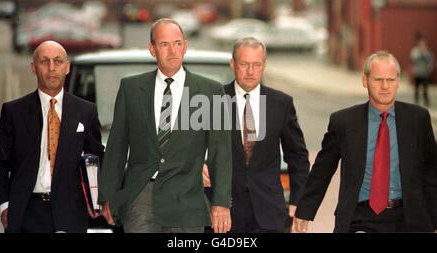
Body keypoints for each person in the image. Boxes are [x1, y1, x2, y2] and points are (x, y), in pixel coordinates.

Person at [98, 18, 232, 233]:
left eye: (178, 43)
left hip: (187, 199)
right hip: (140, 198)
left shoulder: (211, 91)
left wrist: (221, 203)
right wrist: (107, 196)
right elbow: (117, 147)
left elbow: (221, 153)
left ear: (185, 46)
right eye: (164, 44)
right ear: (152, 49)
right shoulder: (131, 88)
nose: (172, 51)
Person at [293, 51, 437, 233]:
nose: (385, 86)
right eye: (378, 79)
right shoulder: (343, 122)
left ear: (398, 81)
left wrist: (434, 219)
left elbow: (432, 172)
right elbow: (322, 170)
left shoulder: (417, 119)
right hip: (360, 218)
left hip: (410, 219)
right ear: (365, 80)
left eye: (390, 79)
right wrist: (304, 210)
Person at [0, 41, 104, 233]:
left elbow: (98, 161)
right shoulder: (14, 112)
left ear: (67, 68)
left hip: (71, 213)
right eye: (44, 61)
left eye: (58, 61)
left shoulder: (86, 111)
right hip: (25, 213)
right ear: (33, 68)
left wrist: (99, 199)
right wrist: (4, 206)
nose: (51, 68)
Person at [204, 37, 310, 232]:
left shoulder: (281, 103)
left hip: (268, 213)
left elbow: (298, 156)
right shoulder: (213, 101)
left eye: (257, 65)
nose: (251, 72)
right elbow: (191, 147)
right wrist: (200, 165)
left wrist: (298, 200)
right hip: (222, 213)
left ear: (264, 65)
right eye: (244, 64)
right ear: (232, 64)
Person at [410, 34, 434, 107]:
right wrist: (420, 53)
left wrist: (424, 53)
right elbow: (413, 59)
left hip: (425, 73)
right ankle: (416, 101)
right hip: (417, 73)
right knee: (416, 88)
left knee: (425, 89)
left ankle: (426, 101)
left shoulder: (427, 51)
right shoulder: (415, 51)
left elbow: (430, 60)